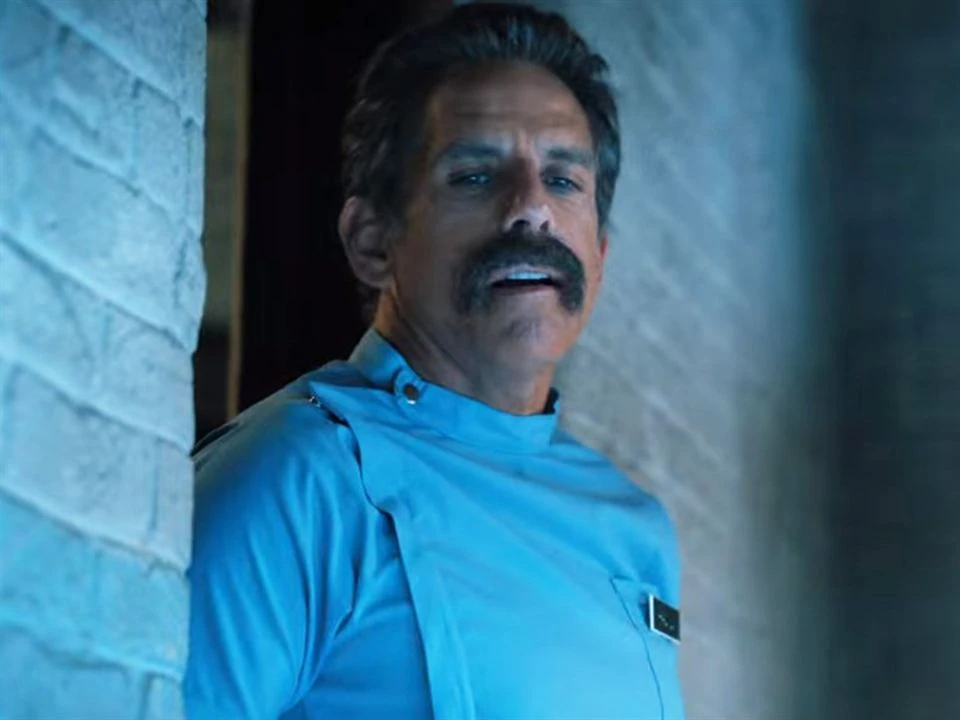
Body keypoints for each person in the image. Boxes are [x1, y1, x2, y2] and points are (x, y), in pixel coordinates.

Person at [185, 3, 684, 718]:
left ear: (598, 256)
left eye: (563, 179)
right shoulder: (298, 479)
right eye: (476, 175)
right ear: (372, 242)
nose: (531, 208)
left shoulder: (636, 527)